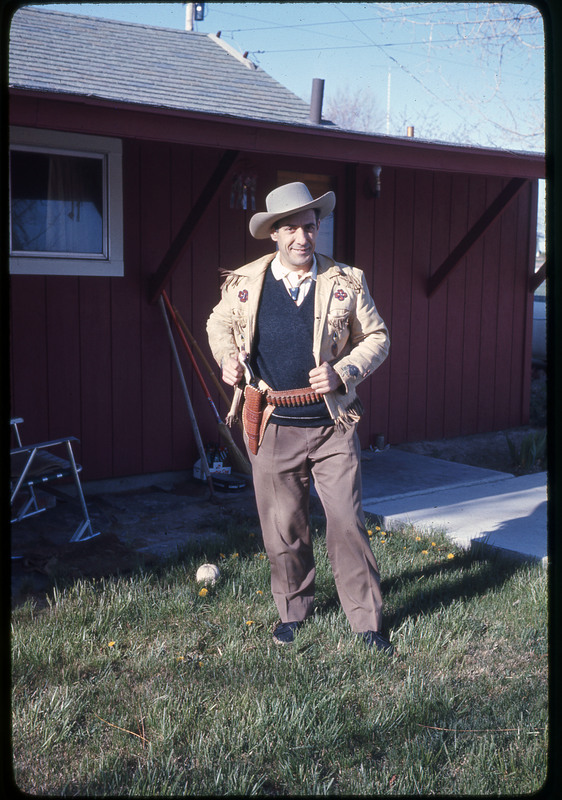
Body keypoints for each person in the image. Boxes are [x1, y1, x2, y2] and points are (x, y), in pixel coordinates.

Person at [206, 181, 393, 653]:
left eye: (309, 227)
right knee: (283, 527)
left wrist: (344, 371)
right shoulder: (245, 283)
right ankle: (293, 610)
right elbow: (217, 323)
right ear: (273, 233)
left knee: (347, 522)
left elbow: (377, 337)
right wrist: (227, 357)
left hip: (332, 425)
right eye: (290, 229)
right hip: (272, 425)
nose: (301, 239)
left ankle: (367, 622)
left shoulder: (347, 281)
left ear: (317, 228)